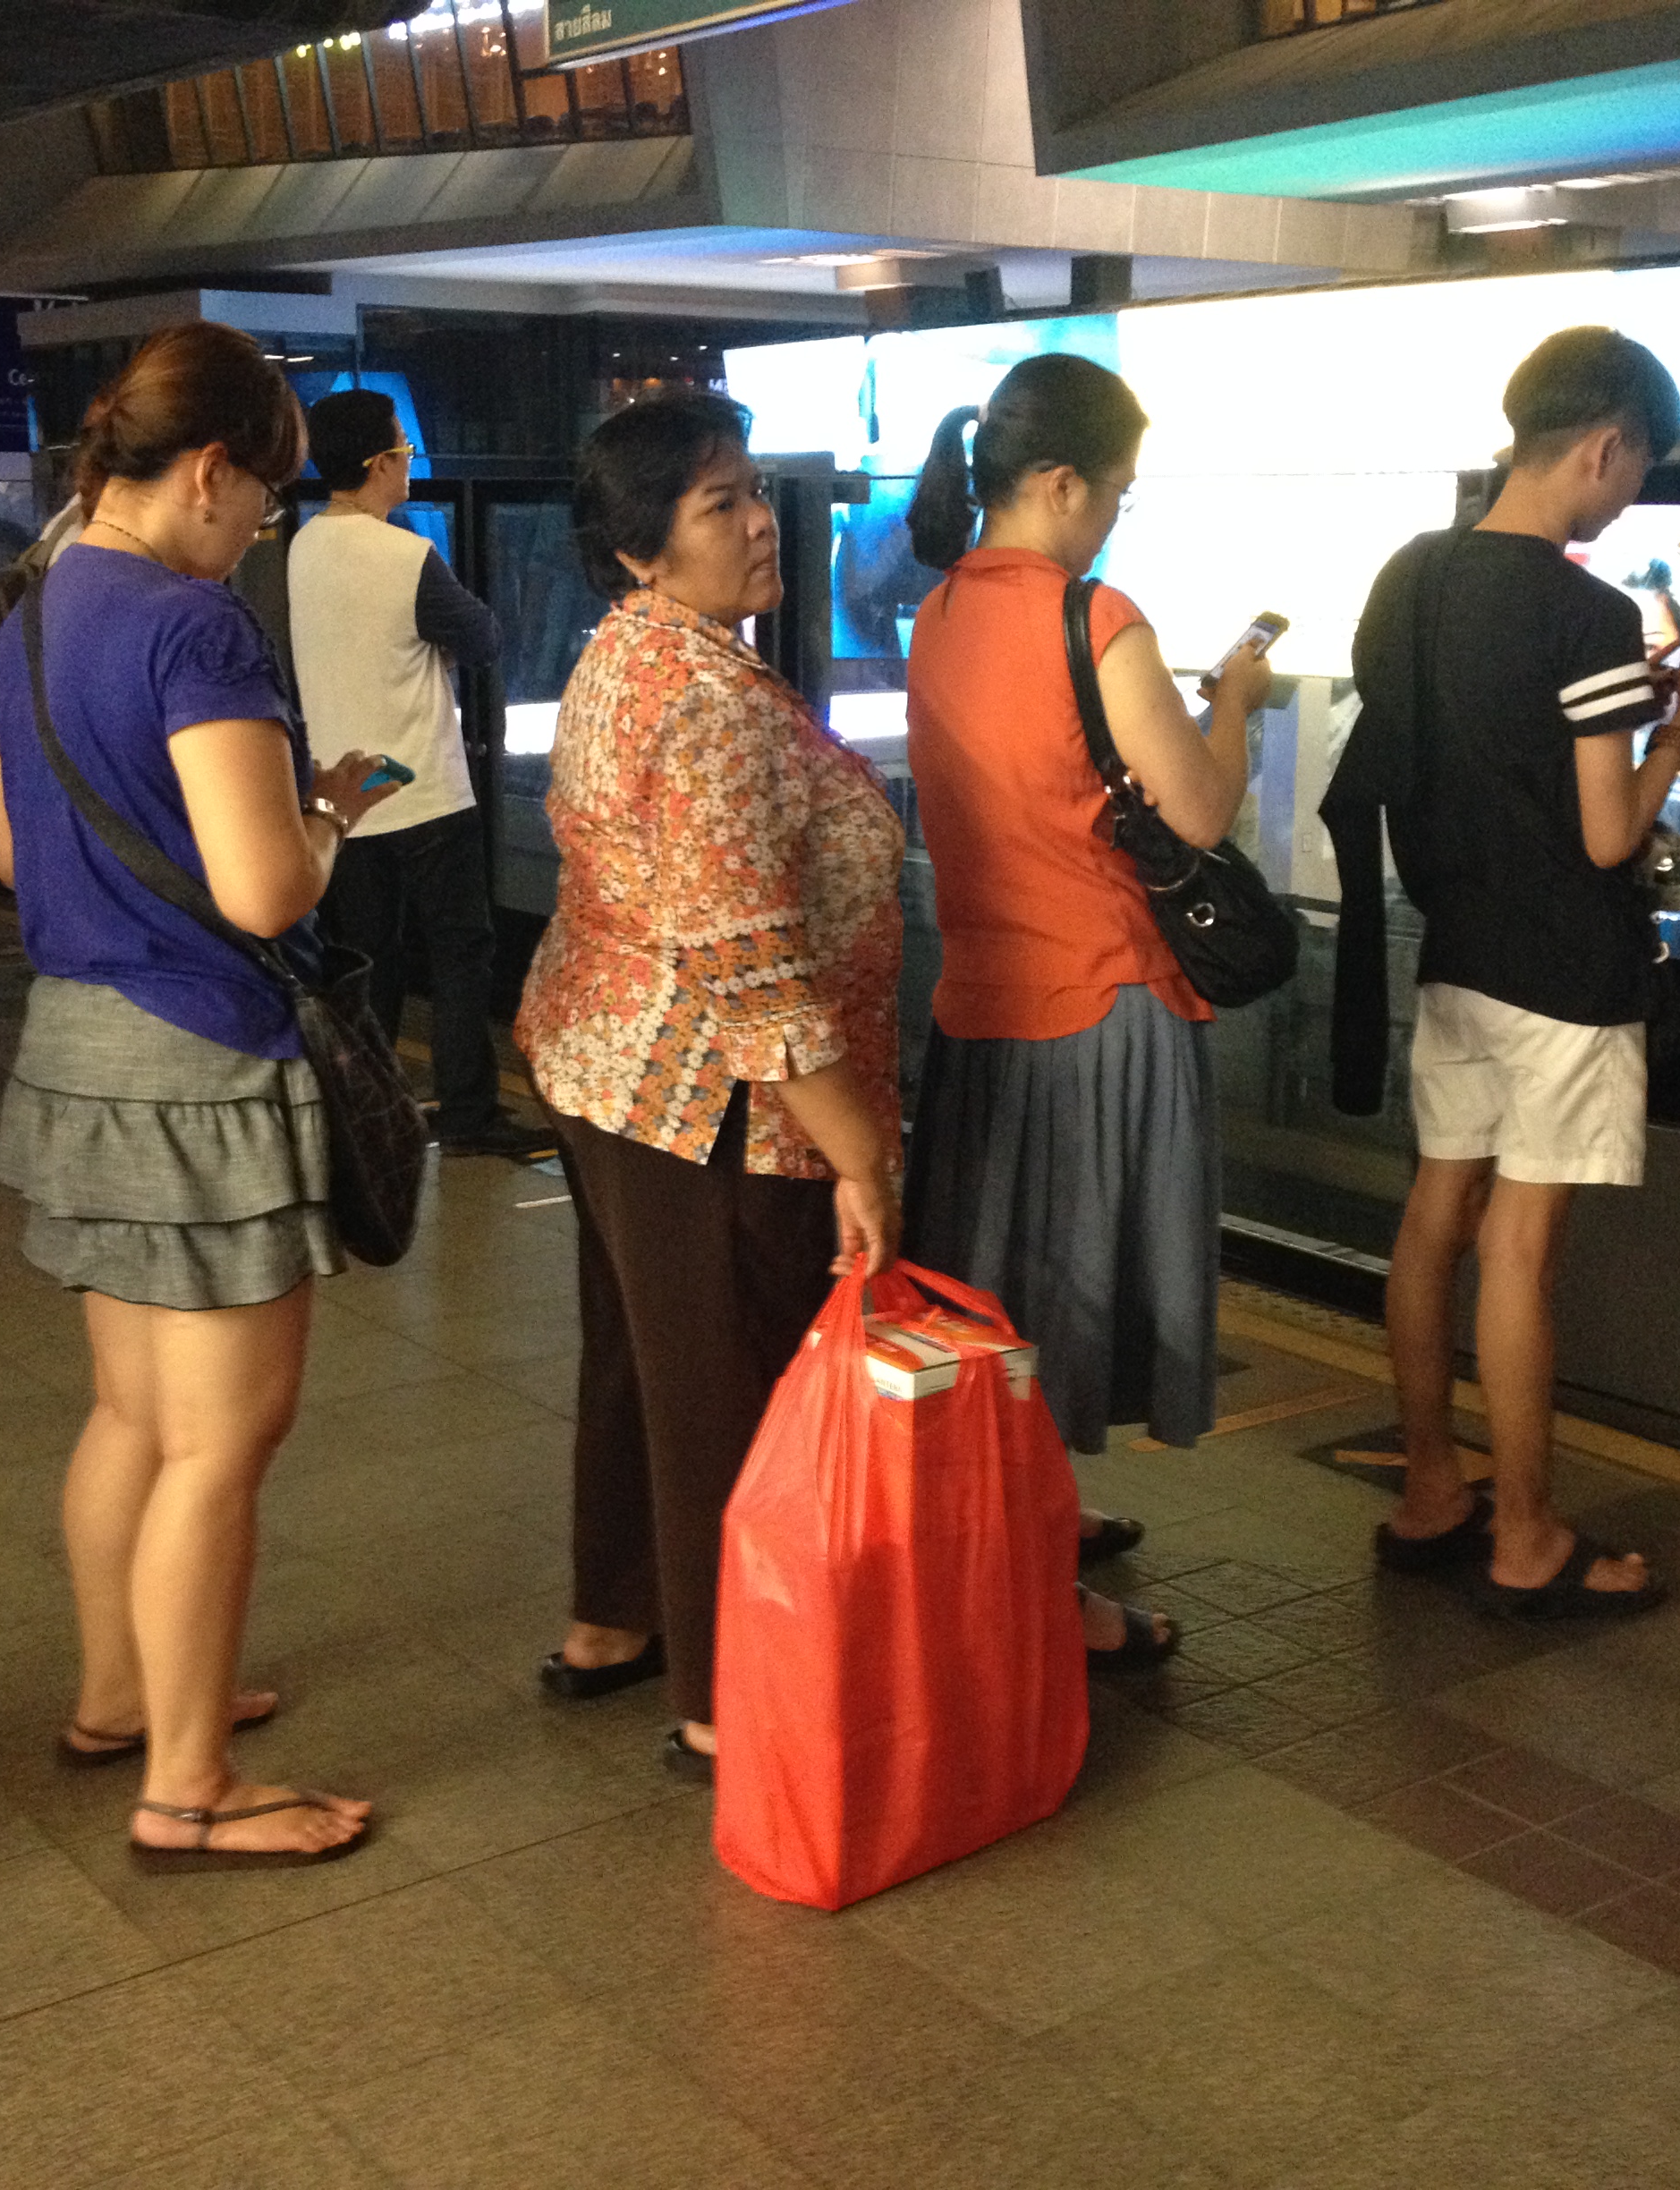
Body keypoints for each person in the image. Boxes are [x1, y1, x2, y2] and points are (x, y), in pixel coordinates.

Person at [0, 320, 397, 1867]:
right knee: (224, 1443)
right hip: (200, 1064)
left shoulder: (29, 608)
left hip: (76, 1052)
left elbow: (21, 857)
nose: (259, 532)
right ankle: (187, 1781)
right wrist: (327, 815)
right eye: (266, 501)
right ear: (212, 469)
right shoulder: (191, 626)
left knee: (131, 1417)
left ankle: (118, 1694)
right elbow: (264, 887)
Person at [517, 390, 907, 1775]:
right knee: (720, 1385)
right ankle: (728, 1696)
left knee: (642, 1356)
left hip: (605, 1062)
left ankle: (615, 1618)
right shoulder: (708, 705)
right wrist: (861, 1152)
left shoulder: (634, 653)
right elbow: (750, 961)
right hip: (706, 1099)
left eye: (752, 492)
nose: (757, 522)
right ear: (639, 549)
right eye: (717, 504)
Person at [1329, 327, 1680, 1617]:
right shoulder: (1588, 611)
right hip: (1566, 973)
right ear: (1605, 445)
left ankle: (1432, 1493)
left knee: (1433, 1223)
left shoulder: (1417, 575)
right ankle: (1525, 1533)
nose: (1633, 495)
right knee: (1519, 1256)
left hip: (1454, 954)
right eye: (1639, 471)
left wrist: (1631, 702)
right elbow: (1609, 834)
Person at [896, 354, 1271, 1659]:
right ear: (1059, 484)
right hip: (1100, 1008)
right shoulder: (1097, 619)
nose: (1114, 516)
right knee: (1065, 1296)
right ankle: (1035, 1600)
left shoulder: (937, 615)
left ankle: (1036, 1511)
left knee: (998, 1292)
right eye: (1114, 492)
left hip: (978, 1006)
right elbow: (1203, 811)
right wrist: (1235, 707)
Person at [287, 389, 534, 1159]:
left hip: (345, 798)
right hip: (422, 785)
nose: (408, 464)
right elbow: (484, 635)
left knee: (370, 959)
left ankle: (371, 1107)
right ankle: (467, 1116)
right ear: (379, 462)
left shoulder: (301, 545)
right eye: (404, 449)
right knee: (461, 952)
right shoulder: (406, 555)